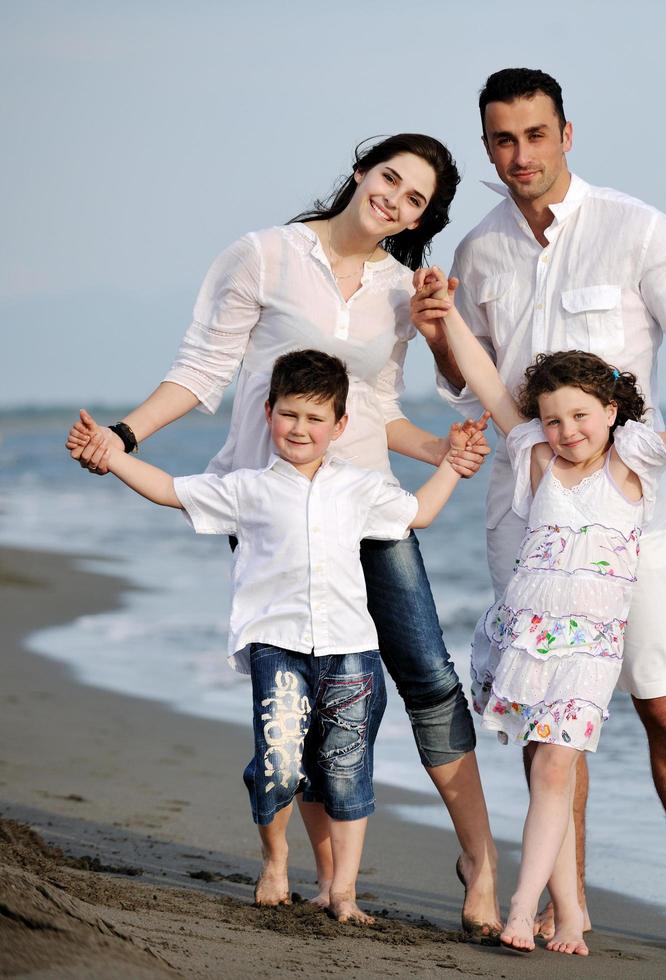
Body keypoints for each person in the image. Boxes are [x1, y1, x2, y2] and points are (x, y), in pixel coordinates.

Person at [65, 134, 503, 933]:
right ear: (362, 171)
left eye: (415, 201)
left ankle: (480, 862)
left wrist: (441, 448)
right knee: (304, 683)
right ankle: (328, 875)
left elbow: (377, 407)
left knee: (427, 674)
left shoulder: (403, 288)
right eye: (390, 179)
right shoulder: (263, 256)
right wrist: (125, 439)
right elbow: (202, 370)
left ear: (421, 218)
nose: (395, 201)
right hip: (269, 503)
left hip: (365, 499)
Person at [412, 68, 666, 953]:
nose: (520, 155)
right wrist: (435, 331)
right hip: (524, 516)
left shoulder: (636, 227)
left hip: (630, 513)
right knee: (549, 715)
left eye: (535, 135)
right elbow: (471, 384)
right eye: (503, 140)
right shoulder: (478, 252)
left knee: (659, 698)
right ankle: (558, 903)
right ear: (487, 146)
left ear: (566, 133)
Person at [67, 350, 478, 924]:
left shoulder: (359, 488)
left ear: (340, 426)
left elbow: (420, 514)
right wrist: (113, 456)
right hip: (277, 645)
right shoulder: (247, 488)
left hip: (351, 650)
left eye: (315, 419)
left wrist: (452, 466)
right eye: (289, 415)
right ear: (267, 413)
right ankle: (276, 858)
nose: (300, 429)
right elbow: (168, 489)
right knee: (281, 763)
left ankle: (344, 892)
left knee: (346, 768)